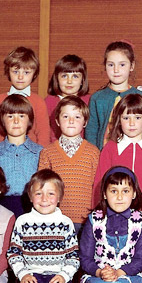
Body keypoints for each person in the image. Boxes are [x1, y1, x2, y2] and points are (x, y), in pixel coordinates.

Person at [38, 96, 100, 235]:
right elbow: (42, 187)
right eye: (65, 116)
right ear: (57, 121)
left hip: (86, 220)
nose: (71, 121)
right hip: (55, 218)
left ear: (85, 122)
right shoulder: (47, 152)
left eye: (77, 117)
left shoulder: (93, 152)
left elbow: (97, 188)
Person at [93, 93, 142, 214]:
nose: (132, 123)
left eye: (138, 117)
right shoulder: (110, 149)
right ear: (119, 120)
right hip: (114, 217)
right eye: (126, 118)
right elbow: (100, 184)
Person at [84, 41, 142, 149]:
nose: (116, 70)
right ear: (105, 66)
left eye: (122, 65)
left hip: (134, 158)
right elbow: (91, 133)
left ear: (132, 66)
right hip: (104, 158)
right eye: (111, 65)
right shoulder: (97, 98)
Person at [0, 46, 50, 148]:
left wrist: (41, 158)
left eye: (26, 72)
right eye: (15, 71)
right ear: (8, 71)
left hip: (30, 154)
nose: (20, 77)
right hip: (0, 154)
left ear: (34, 74)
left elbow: (43, 134)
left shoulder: (38, 101)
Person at [0, 95, 43, 218]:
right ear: (2, 120)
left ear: (29, 120)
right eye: (10, 116)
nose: (16, 121)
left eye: (21, 116)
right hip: (2, 206)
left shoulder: (39, 152)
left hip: (31, 206)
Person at [44, 54, 91, 141]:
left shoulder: (89, 101)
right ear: (57, 79)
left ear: (82, 80)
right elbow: (45, 131)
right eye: (64, 76)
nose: (69, 81)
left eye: (75, 76)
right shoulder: (49, 102)